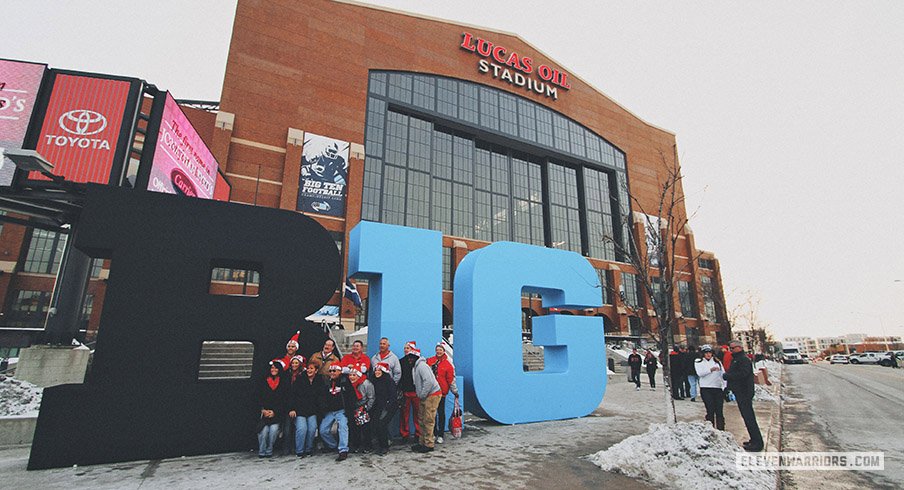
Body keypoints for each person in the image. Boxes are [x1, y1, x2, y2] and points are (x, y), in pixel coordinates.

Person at [724, 341, 763, 451]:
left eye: (733, 348)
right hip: (740, 391)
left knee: (749, 417)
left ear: (740, 348)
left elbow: (742, 374)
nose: (731, 350)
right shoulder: (736, 359)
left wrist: (728, 376)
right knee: (746, 417)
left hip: (744, 392)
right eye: (730, 348)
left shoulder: (743, 359)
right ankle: (753, 439)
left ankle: (757, 442)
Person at [411, 347, 443, 453]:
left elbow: (428, 381)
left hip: (432, 395)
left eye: (411, 357)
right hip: (425, 395)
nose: (409, 359)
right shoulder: (416, 367)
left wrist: (422, 394)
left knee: (428, 419)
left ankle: (429, 444)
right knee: (421, 419)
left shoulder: (421, 366)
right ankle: (422, 442)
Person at [427, 342, 459, 444]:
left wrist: (455, 391)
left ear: (444, 351)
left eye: (440, 349)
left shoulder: (448, 364)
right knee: (432, 413)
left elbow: (451, 379)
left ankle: (440, 434)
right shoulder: (430, 361)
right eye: (437, 349)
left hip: (441, 392)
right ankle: (433, 433)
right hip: (431, 392)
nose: (438, 351)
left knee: (441, 413)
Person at [289, 361, 323, 457]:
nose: (309, 370)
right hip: (300, 410)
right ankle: (299, 450)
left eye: (312, 369)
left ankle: (309, 449)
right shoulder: (300, 380)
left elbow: (321, 396)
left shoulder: (319, 380)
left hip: (312, 410)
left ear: (316, 371)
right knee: (302, 429)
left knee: (312, 428)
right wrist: (292, 408)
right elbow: (292, 395)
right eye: (308, 368)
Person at [319, 364, 350, 461]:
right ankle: (333, 445)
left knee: (343, 427)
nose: (332, 373)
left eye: (334, 371)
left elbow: (350, 397)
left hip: (342, 410)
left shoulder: (345, 382)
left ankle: (343, 450)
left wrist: (349, 410)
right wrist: (323, 407)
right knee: (323, 430)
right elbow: (322, 396)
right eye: (330, 371)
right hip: (330, 411)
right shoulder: (327, 382)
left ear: (340, 372)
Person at [257, 359, 286, 458]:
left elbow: (284, 400)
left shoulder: (283, 382)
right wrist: (263, 410)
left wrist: (275, 412)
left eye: (275, 368)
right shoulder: (263, 381)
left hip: (276, 414)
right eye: (272, 367)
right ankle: (262, 451)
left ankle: (269, 450)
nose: (273, 369)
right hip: (264, 413)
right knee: (263, 432)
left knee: (273, 431)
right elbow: (258, 397)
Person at [369, 362, 397, 455]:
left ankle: (384, 446)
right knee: (375, 423)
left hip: (387, 406)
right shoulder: (372, 380)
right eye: (376, 370)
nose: (377, 372)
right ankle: (380, 443)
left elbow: (393, 396)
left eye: (379, 370)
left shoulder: (389, 381)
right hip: (377, 406)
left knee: (381, 424)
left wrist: (388, 406)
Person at [695, 345, 725, 430]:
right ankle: (710, 428)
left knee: (719, 410)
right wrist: (710, 370)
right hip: (706, 387)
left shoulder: (717, 362)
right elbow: (700, 373)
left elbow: (723, 374)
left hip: (717, 387)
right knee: (710, 409)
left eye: (710, 353)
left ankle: (721, 429)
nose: (708, 355)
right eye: (706, 353)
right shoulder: (698, 362)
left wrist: (725, 386)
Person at [344, 367, 374, 454]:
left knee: (365, 428)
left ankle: (368, 446)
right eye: (350, 375)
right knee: (354, 428)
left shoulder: (366, 384)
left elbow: (371, 398)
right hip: (353, 407)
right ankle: (356, 445)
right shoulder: (348, 384)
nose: (351, 377)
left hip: (363, 407)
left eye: (354, 375)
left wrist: (366, 408)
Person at [282, 354, 306, 454]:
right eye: (293, 363)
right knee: (287, 429)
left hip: (299, 406)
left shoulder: (303, 376)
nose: (294, 365)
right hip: (288, 405)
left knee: (299, 428)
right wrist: (290, 408)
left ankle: (297, 447)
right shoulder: (287, 375)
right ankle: (286, 448)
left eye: (296, 363)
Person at [399, 341, 421, 442]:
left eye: (407, 348)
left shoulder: (419, 361)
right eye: (405, 348)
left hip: (416, 392)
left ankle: (418, 433)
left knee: (418, 414)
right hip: (405, 391)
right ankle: (404, 434)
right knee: (404, 414)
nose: (405, 350)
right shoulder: (402, 361)